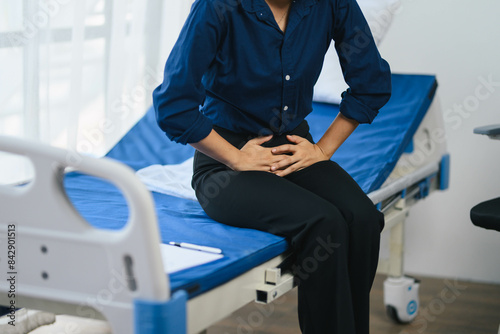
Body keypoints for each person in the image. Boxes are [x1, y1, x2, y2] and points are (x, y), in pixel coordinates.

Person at [153, 0, 391, 332]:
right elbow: (173, 105)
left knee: (363, 219)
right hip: (226, 165)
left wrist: (322, 150)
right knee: (324, 223)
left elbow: (371, 83)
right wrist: (236, 158)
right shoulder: (216, 7)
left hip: (292, 147)